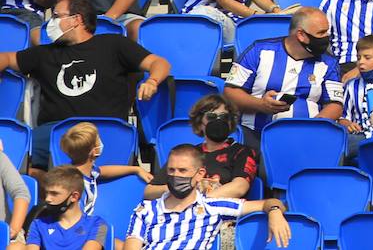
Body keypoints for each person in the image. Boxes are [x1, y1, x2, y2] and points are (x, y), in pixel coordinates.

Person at [0, 0, 168, 169]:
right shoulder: (43, 53)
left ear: (77, 19)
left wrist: (152, 81)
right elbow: (6, 58)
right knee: (12, 150)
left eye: (56, 16)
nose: (51, 23)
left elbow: (159, 63)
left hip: (105, 132)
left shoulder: (114, 44)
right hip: (56, 133)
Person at [124, 144, 291, 250]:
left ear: (200, 174)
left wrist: (275, 211)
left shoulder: (212, 206)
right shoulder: (145, 210)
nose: (176, 176)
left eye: (183, 171)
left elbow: (270, 202)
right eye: (171, 170)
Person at [223, 7, 344, 138]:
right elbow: (230, 91)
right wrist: (261, 105)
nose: (327, 37)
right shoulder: (259, 51)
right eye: (321, 33)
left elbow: (335, 104)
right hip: (255, 134)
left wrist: (313, 128)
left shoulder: (329, 63)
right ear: (301, 35)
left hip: (306, 138)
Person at [147, 95, 260, 199]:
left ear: (230, 122)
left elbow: (239, 187)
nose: (218, 121)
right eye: (211, 117)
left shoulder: (242, 152)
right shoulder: (187, 154)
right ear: (200, 123)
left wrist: (200, 200)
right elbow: (149, 191)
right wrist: (178, 189)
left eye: (224, 117)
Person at [59, 122, 150, 214]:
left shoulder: (87, 171)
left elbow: (103, 171)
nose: (101, 142)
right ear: (94, 151)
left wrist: (136, 169)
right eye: (98, 139)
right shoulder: (78, 186)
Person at [23, 166, 106, 250]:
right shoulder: (37, 224)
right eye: (46, 193)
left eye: (54, 194)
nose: (47, 199)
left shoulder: (99, 224)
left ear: (74, 196)